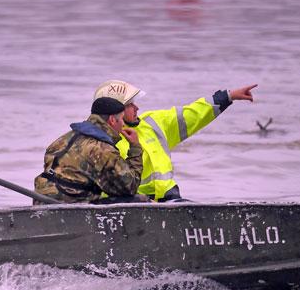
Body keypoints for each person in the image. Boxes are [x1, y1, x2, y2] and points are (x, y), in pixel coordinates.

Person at [93, 80, 257, 201]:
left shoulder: (154, 123)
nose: (137, 108)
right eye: (130, 105)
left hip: (169, 200)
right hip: (130, 205)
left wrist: (229, 96)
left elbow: (192, 114)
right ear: (113, 111)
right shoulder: (100, 141)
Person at [34, 96, 145, 204]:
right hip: (73, 206)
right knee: (141, 201)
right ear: (112, 120)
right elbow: (130, 187)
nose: (123, 124)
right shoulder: (102, 149)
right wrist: (135, 147)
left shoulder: (62, 140)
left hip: (41, 201)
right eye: (121, 119)